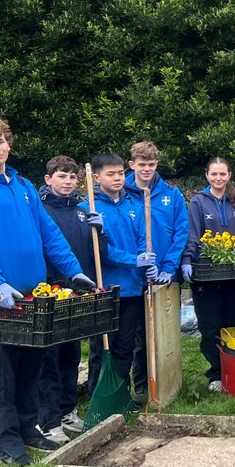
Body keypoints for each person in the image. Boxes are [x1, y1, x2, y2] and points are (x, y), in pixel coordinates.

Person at [0, 115, 93, 465]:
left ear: (9, 144)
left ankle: (27, 428)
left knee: (31, 365)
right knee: (2, 372)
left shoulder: (23, 185)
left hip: (34, 293)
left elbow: (48, 233)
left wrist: (74, 271)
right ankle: (2, 444)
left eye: (0, 140)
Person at [37, 155, 105, 443]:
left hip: (77, 292)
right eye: (61, 176)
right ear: (48, 179)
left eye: (72, 177)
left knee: (71, 355)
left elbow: (96, 254)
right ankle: (47, 420)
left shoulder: (81, 210)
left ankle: (67, 411)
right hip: (50, 290)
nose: (67, 182)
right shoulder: (40, 210)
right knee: (48, 359)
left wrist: (99, 231)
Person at [181, 157, 235, 392]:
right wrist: (187, 259)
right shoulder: (198, 202)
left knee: (234, 324)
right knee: (210, 327)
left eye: (222, 174)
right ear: (207, 175)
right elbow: (193, 234)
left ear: (229, 175)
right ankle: (216, 373)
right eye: (214, 174)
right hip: (207, 277)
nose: (218, 178)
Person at [82, 152, 155, 399]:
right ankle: (98, 396)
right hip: (105, 287)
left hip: (132, 288)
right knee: (102, 347)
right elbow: (99, 251)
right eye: (110, 174)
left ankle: (120, 395)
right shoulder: (88, 207)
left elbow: (141, 241)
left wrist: (146, 261)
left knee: (125, 346)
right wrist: (131, 260)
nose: (117, 178)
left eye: (121, 173)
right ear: (97, 177)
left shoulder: (132, 205)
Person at [125, 141, 187, 401]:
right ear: (132, 165)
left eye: (151, 164)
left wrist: (169, 268)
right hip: (134, 277)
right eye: (142, 164)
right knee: (140, 335)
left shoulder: (171, 194)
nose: (147, 169)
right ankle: (141, 387)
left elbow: (181, 232)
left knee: (165, 334)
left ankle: (167, 382)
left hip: (164, 278)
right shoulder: (123, 193)